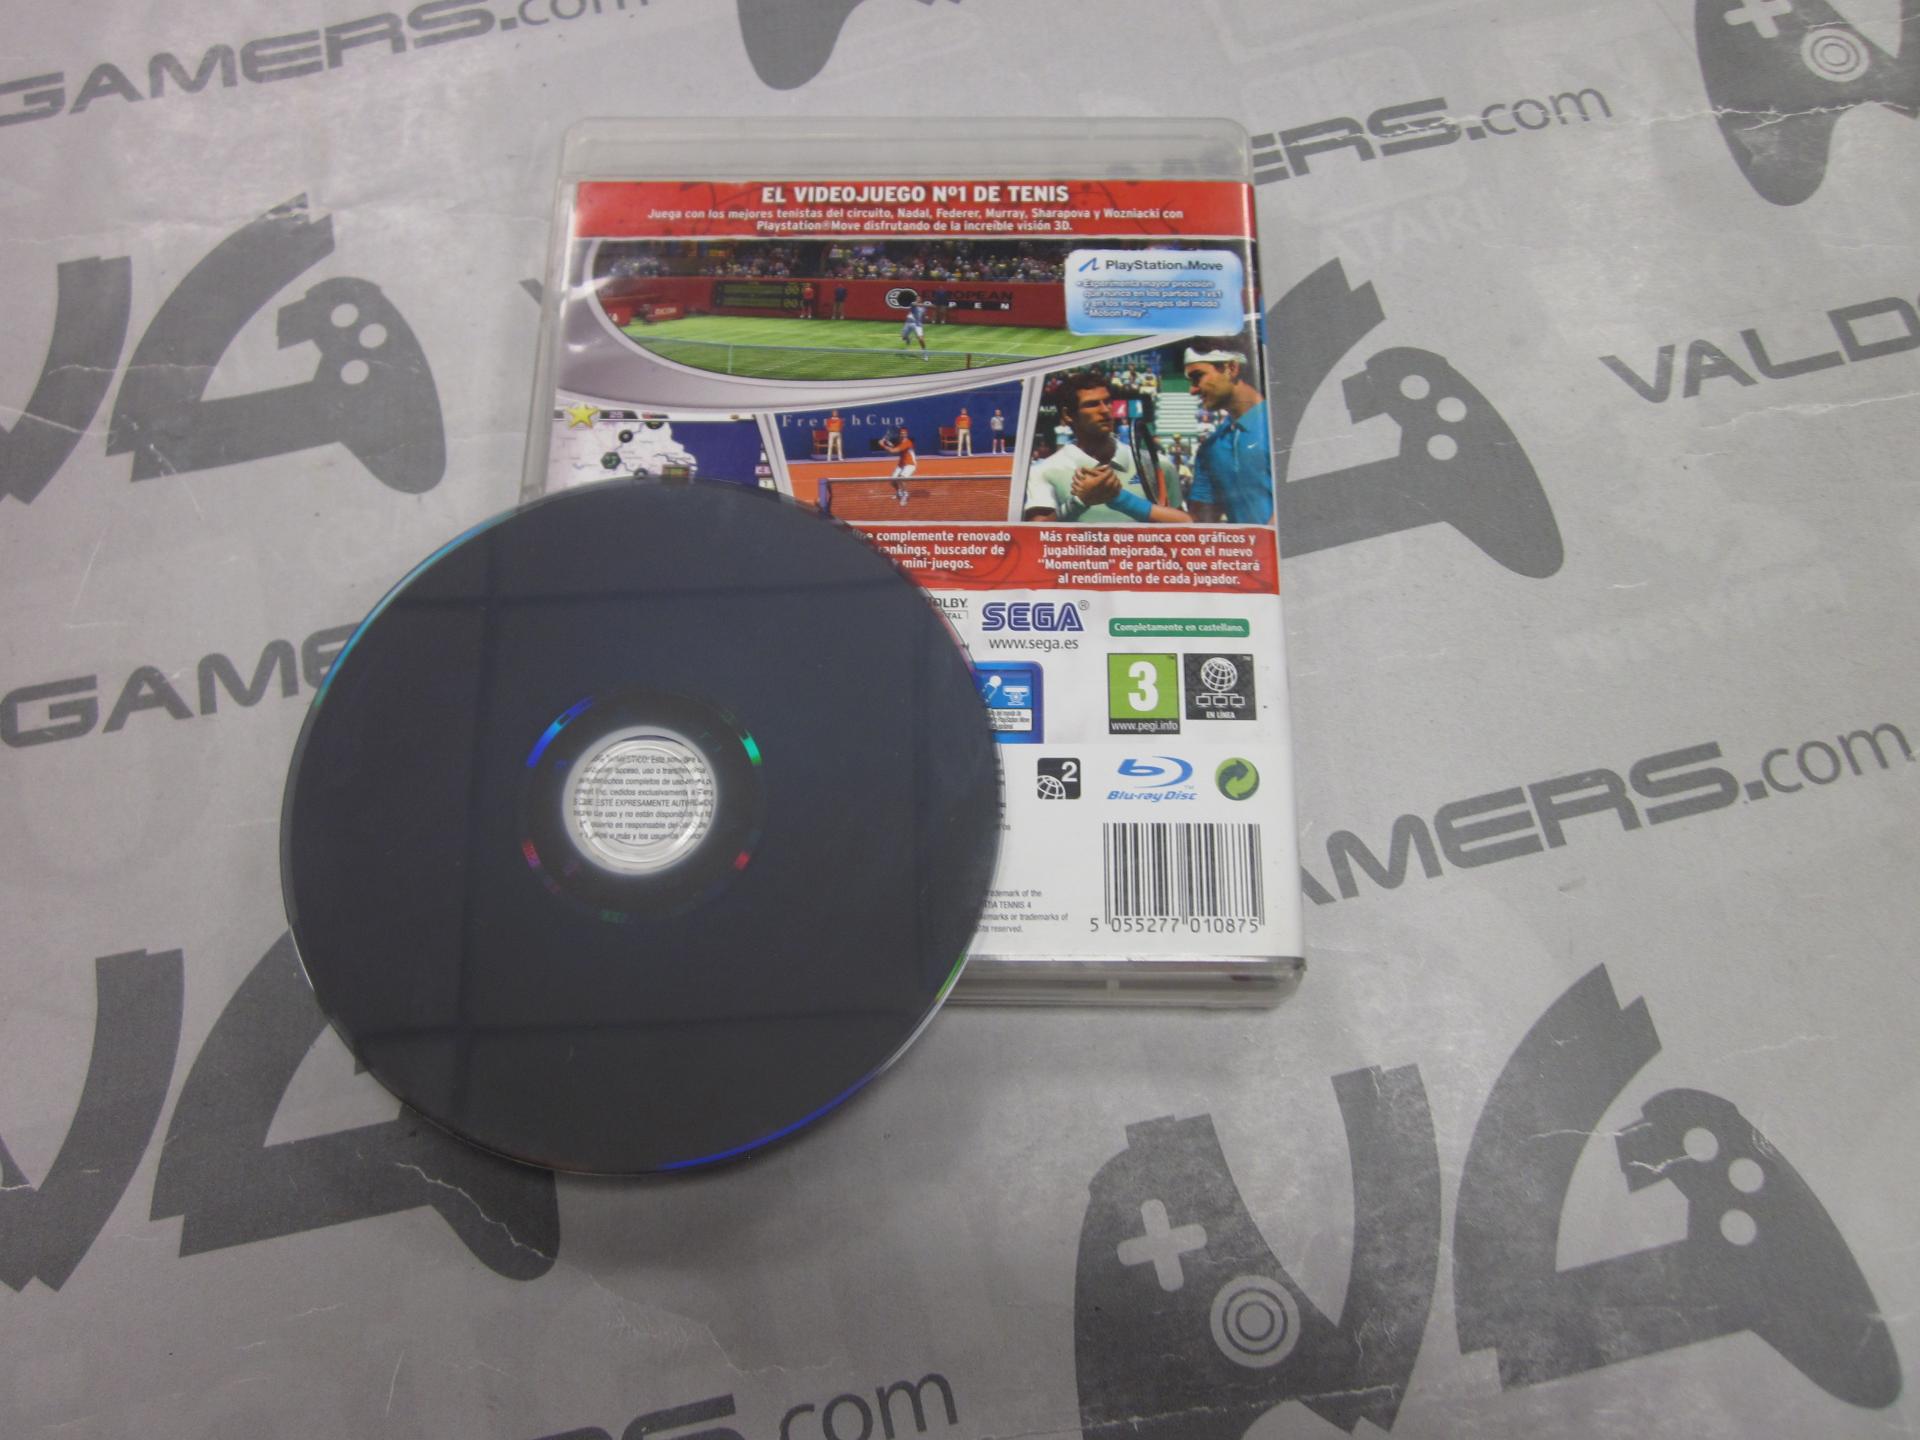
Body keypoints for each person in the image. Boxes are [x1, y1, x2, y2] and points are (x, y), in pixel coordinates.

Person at [1023, 373, 1190, 524]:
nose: (1105, 410)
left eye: (1108, 402)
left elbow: (1188, 529)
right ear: (1068, 415)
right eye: (1092, 404)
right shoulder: (1044, 471)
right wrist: (1079, 502)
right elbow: (1034, 535)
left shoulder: (1158, 464)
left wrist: (1120, 499)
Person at [1182, 338, 1274, 525]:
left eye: (1198, 376)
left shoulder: (1286, 427)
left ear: (1231, 368)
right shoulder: (1210, 448)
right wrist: (1123, 499)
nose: (1192, 390)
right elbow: (1200, 523)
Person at [880, 427, 916, 505]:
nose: (903, 435)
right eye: (902, 433)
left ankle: (905, 495)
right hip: (901, 464)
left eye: (905, 433)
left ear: (907, 434)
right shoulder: (899, 441)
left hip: (910, 464)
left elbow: (893, 451)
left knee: (901, 478)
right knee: (892, 481)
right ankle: (899, 492)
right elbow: (893, 446)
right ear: (900, 434)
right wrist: (886, 442)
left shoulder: (907, 442)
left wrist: (883, 445)